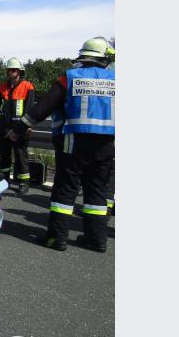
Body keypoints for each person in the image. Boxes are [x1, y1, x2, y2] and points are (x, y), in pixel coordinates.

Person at [8, 37, 115, 252]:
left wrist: (18, 130)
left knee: (66, 190)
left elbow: (43, 108)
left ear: (83, 58)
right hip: (106, 144)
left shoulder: (70, 77)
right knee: (97, 191)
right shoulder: (116, 79)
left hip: (74, 141)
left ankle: (57, 238)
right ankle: (96, 240)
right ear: (104, 59)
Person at [0, 57, 35, 193]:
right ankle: (4, 180)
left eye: (13, 70)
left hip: (20, 128)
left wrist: (27, 127)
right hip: (5, 128)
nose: (10, 72)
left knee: (20, 155)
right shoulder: (2, 88)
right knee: (4, 155)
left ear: (19, 71)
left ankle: (23, 182)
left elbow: (29, 110)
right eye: (9, 70)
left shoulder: (28, 87)